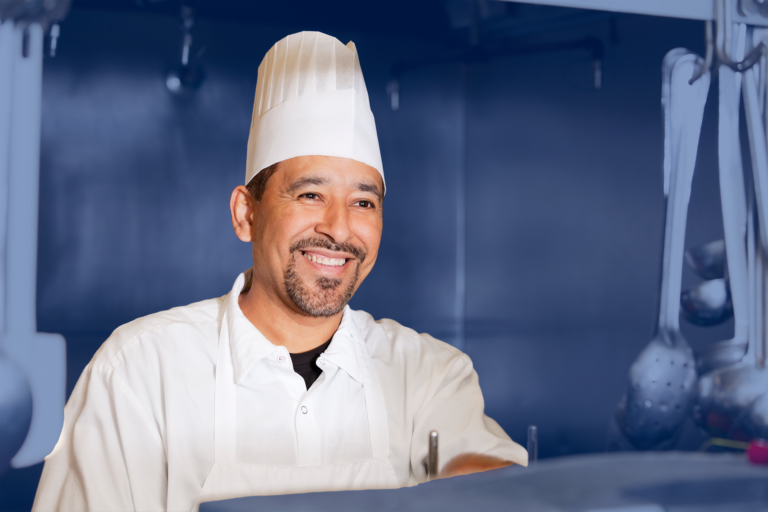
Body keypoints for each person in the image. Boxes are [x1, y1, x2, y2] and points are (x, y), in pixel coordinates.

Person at [32, 31, 527, 512]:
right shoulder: (139, 371)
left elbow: (509, 492)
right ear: (246, 213)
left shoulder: (429, 376)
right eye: (310, 195)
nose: (339, 229)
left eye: (363, 201)